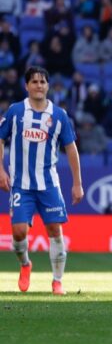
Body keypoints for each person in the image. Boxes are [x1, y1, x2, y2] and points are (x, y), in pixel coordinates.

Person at [0, 66, 84, 295]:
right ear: (26, 86)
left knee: (55, 230)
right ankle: (25, 264)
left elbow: (71, 149)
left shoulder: (59, 115)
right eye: (34, 81)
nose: (38, 85)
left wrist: (77, 183)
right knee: (18, 232)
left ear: (48, 86)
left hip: (49, 184)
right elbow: (0, 139)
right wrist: (0, 169)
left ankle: (57, 281)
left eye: (42, 81)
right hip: (21, 184)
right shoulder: (16, 111)